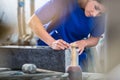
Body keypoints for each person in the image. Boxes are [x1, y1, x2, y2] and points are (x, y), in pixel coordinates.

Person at [28, 0, 105, 71]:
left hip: (74, 57)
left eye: (100, 13)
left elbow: (95, 38)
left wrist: (84, 42)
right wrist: (52, 42)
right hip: (48, 51)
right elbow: (33, 22)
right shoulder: (63, 2)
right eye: (96, 7)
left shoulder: (100, 17)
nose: (94, 14)